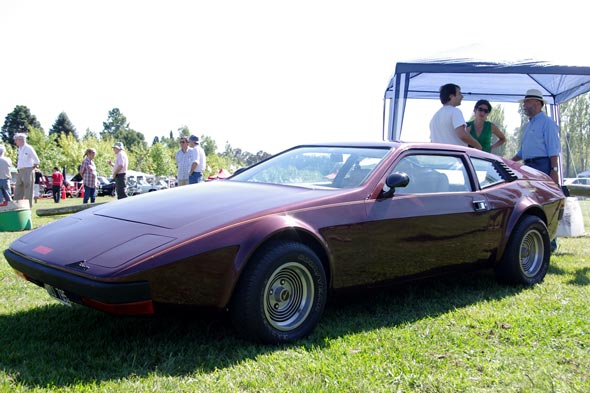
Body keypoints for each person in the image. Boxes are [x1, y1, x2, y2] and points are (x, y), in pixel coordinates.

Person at [511, 88, 561, 252]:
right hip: (529, 166)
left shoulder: (547, 123)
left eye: (527, 102)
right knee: (532, 203)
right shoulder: (528, 125)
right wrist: (510, 162)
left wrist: (553, 170)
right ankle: (538, 237)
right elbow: (523, 151)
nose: (524, 105)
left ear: (537, 103)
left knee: (545, 203)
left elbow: (553, 149)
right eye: (524, 102)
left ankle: (551, 242)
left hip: (542, 166)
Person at [430, 83, 483, 150]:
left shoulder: (435, 117)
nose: (462, 96)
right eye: (459, 94)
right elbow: (462, 134)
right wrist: (477, 145)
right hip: (454, 157)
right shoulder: (455, 111)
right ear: (451, 96)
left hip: (439, 157)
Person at [13, 133, 41, 208]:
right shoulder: (19, 148)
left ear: (20, 140)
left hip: (28, 169)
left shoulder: (29, 148)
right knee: (18, 188)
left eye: (16, 140)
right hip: (20, 170)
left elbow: (37, 160)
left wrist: (32, 169)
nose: (15, 142)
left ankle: (29, 206)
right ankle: (17, 206)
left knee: (28, 189)